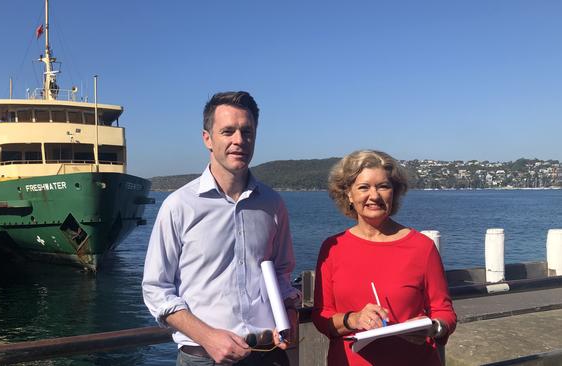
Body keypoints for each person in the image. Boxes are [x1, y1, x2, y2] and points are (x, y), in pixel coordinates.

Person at [142, 91, 300, 366]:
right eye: (228, 131)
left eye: (246, 131)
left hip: (268, 355)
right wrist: (207, 336)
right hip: (204, 358)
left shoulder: (273, 204)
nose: (238, 140)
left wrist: (290, 315)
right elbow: (156, 290)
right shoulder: (179, 205)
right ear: (208, 139)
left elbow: (282, 274)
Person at [312, 150, 457, 366]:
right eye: (363, 187)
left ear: (394, 193)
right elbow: (322, 316)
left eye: (383, 186)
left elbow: (444, 312)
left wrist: (433, 327)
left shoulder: (421, 247)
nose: (374, 196)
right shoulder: (332, 249)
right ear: (349, 195)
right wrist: (354, 319)